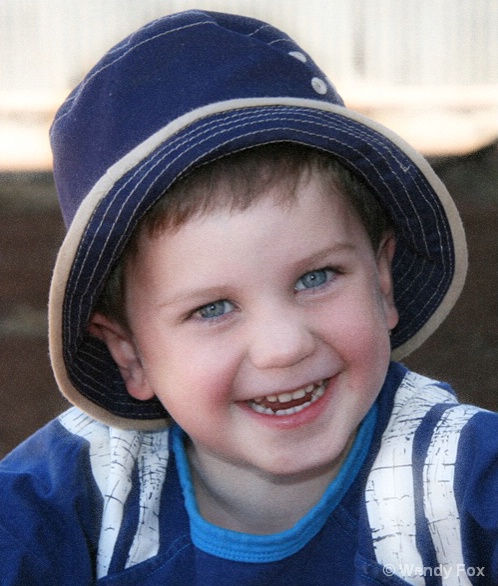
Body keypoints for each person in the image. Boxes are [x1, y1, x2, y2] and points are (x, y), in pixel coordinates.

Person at [0, 10, 496, 585]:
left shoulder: (468, 491)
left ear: (381, 282)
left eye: (318, 277)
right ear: (130, 353)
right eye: (211, 308)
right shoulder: (67, 500)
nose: (283, 347)